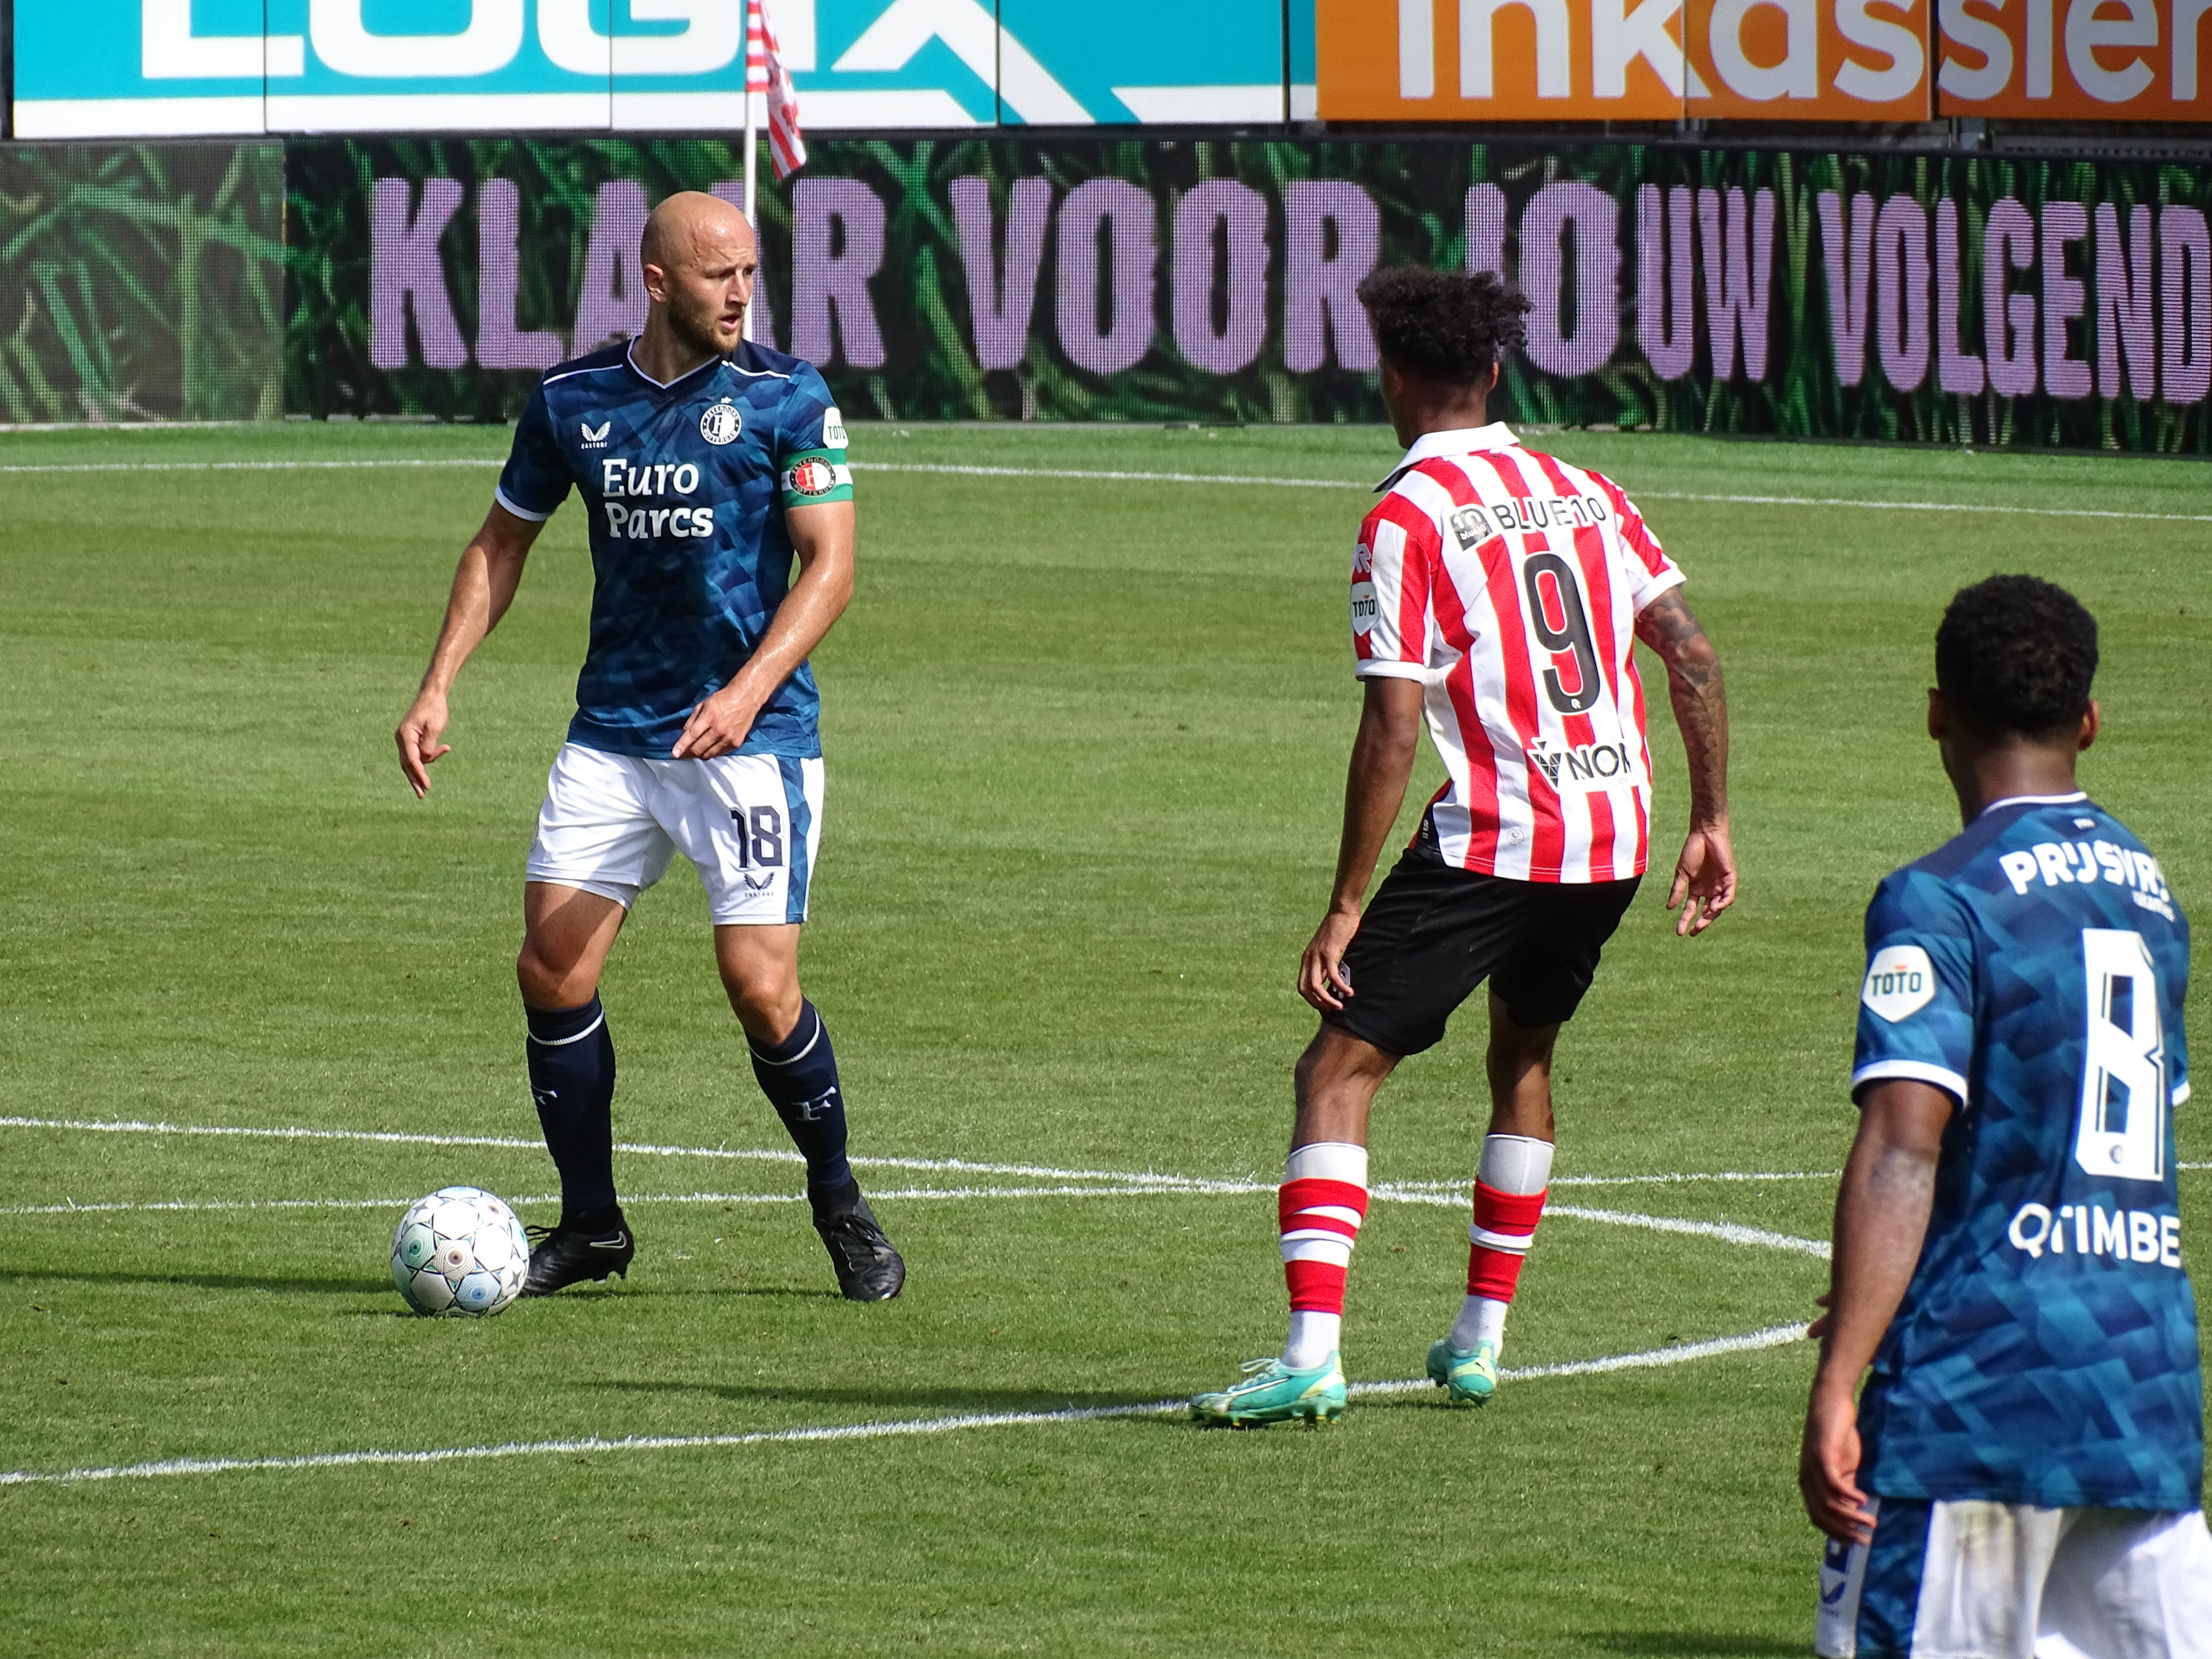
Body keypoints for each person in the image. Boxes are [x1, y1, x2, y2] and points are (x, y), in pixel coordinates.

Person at [1191, 267, 1735, 1427]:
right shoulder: (1587, 489)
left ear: (1390, 377)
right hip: (1613, 834)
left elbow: (1393, 726)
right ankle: (1480, 1341)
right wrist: (1710, 820)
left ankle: (1310, 1355)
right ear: (1495, 371)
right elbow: (1690, 653)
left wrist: (1346, 903)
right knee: (1523, 1061)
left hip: (1498, 834)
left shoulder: (1407, 515)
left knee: (1336, 1073)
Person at [393, 191, 904, 1303]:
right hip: (615, 737)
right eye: (720, 274)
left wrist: (747, 692)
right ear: (658, 280)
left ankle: (839, 1201)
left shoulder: (789, 398)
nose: (741, 293)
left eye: (751, 272)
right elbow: (499, 545)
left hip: (752, 742)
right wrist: (438, 685)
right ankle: (592, 1226)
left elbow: (831, 567)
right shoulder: (572, 401)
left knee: (760, 987)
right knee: (550, 968)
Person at [1802, 575, 2207, 1658]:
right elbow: (2087, 1148)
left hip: (1978, 1395)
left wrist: (1842, 1373)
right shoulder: (2150, 895)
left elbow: (1904, 1145)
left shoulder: (1940, 897)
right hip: (2144, 1395)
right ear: (2089, 721)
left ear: (1938, 712)